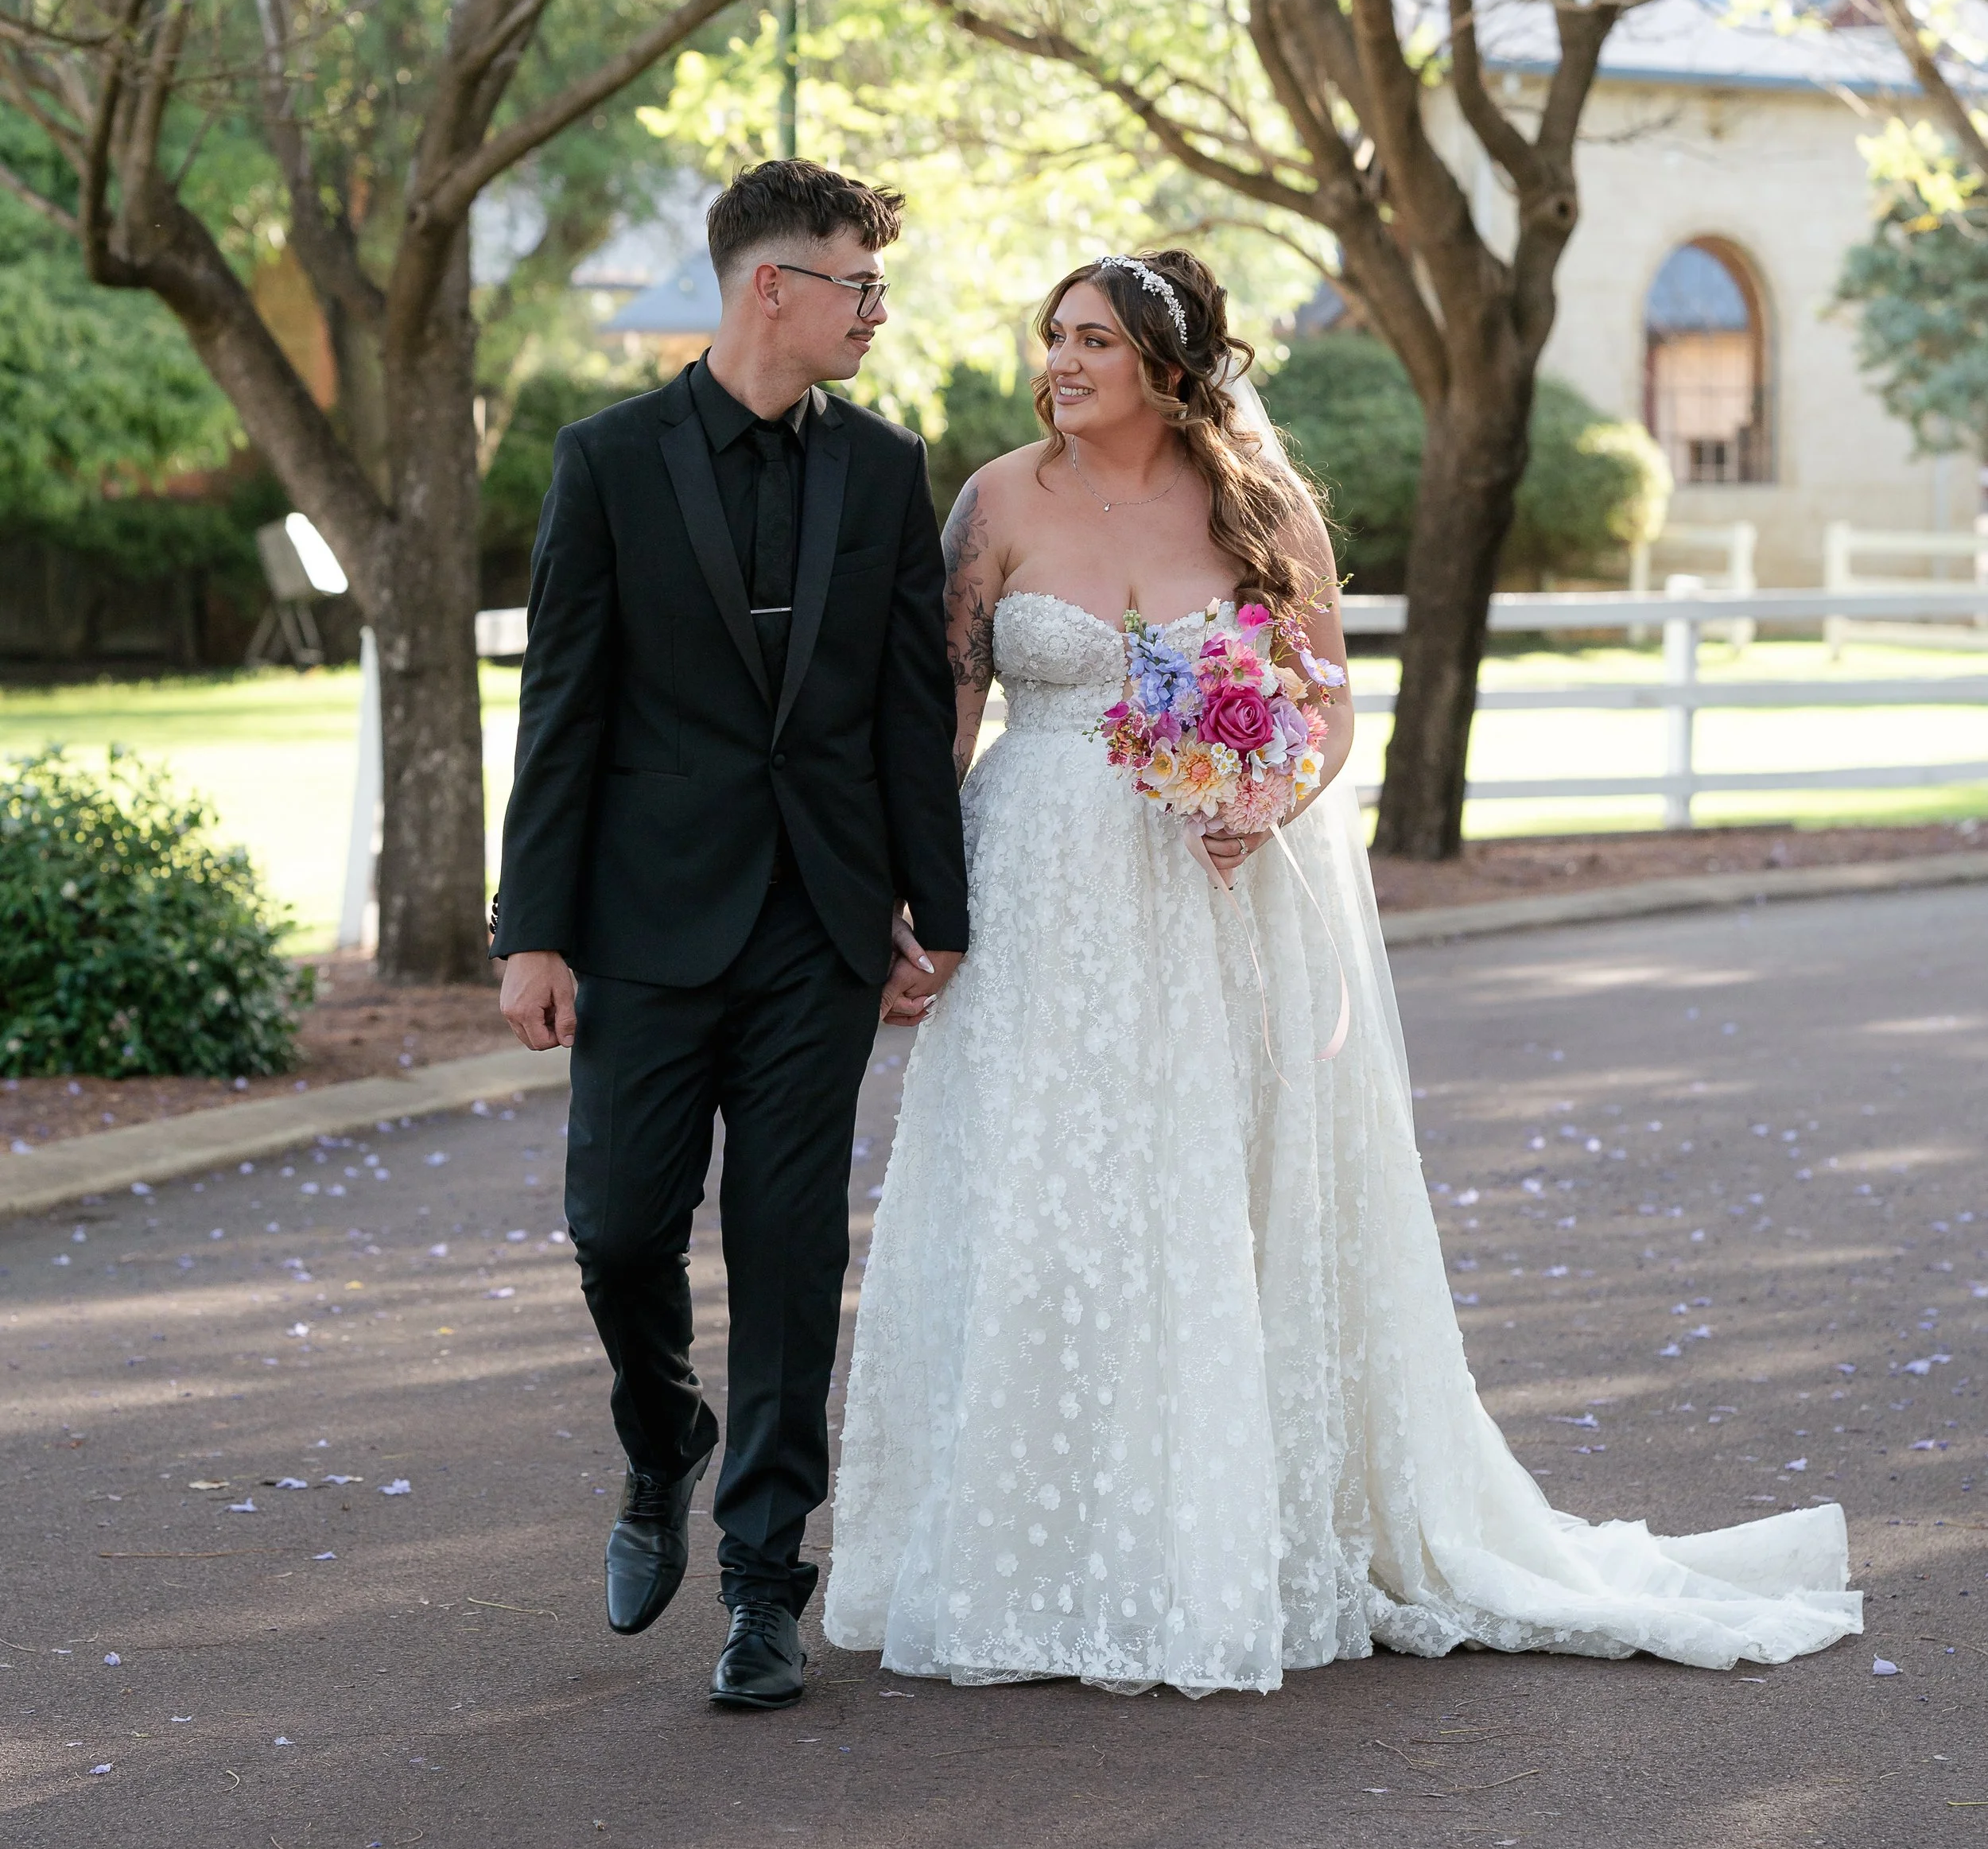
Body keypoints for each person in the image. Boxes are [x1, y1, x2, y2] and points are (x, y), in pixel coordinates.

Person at [823, 249, 1862, 1694]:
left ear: (1167, 372)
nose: (1058, 363)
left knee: (1211, 1200)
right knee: (1043, 1198)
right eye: (1053, 337)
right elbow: (944, 714)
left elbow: (1324, 714)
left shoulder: (1263, 506)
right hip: (1040, 902)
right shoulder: (995, 500)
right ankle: (1038, 1541)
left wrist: (1262, 805)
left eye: (1094, 343)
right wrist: (912, 902)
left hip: (1219, 907)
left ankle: (1210, 1540)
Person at [493, 160, 968, 1711]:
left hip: (818, 930)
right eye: (857, 283)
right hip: (636, 926)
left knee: (785, 1253)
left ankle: (765, 1586)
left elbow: (912, 712)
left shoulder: (887, 474)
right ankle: (660, 1436)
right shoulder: (605, 461)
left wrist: (934, 912)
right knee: (616, 1228)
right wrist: (532, 930)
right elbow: (560, 707)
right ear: (772, 286)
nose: (875, 311)